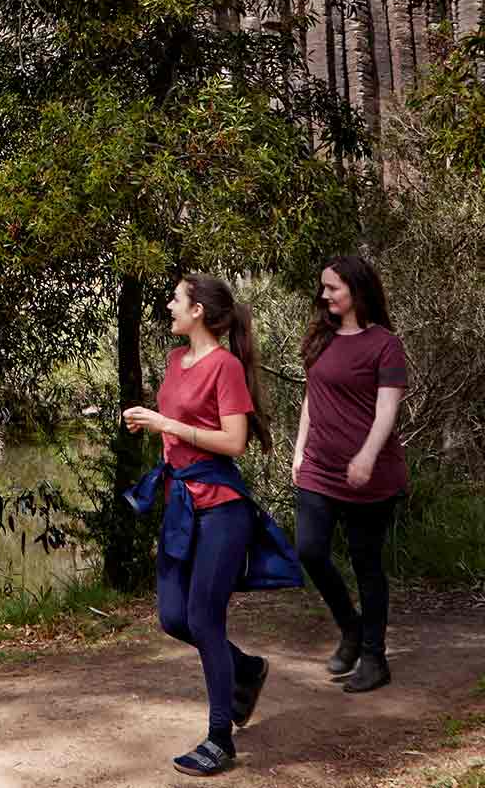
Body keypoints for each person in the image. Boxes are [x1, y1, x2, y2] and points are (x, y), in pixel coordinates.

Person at [121, 275, 299, 777]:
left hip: (222, 509)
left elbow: (234, 442)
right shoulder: (176, 361)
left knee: (203, 618)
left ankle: (220, 738)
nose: (168, 305)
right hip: (181, 503)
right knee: (173, 617)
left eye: (176, 299)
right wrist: (151, 422)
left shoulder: (226, 367)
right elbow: (176, 426)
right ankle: (245, 668)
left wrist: (168, 426)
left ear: (197, 310)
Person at [293, 255, 409, 694]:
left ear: (356, 291)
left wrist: (365, 456)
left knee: (367, 564)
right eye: (323, 288)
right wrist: (299, 450)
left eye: (333, 288)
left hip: (371, 476)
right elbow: (312, 396)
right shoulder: (322, 337)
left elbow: (386, 410)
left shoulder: (384, 344)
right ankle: (351, 627)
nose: (324, 295)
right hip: (319, 469)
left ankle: (374, 658)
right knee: (309, 550)